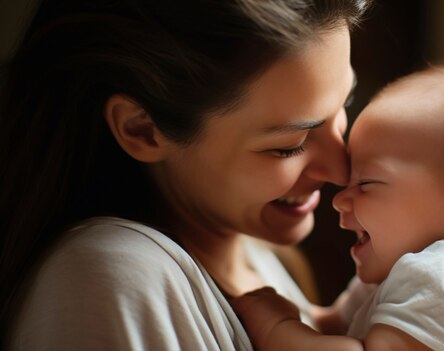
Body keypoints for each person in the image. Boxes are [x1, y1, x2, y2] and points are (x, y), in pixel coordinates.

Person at [0, 0, 372, 349]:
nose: (342, 170)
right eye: (289, 144)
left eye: (344, 106)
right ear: (141, 130)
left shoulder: (258, 259)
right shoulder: (113, 276)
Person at [231, 59, 444, 350]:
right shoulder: (401, 267)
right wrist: (293, 314)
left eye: (366, 183)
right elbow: (333, 329)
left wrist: (275, 329)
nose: (338, 199)